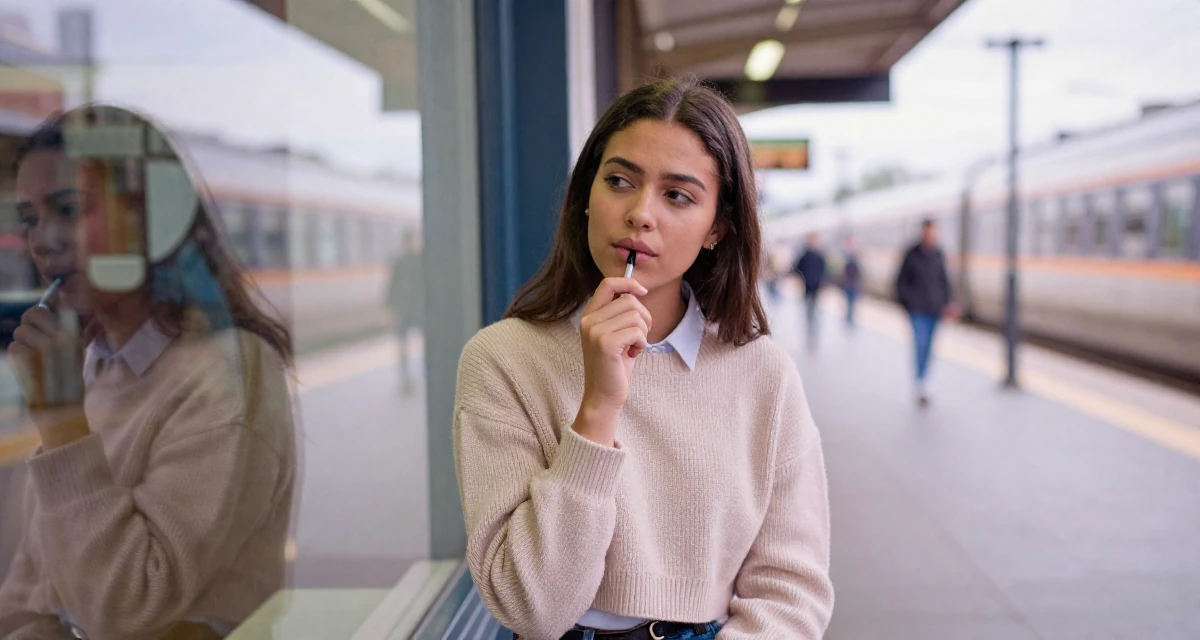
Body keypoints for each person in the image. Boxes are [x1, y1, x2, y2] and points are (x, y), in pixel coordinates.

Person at [453, 77, 833, 640]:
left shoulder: (763, 373)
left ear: (717, 229)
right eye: (619, 181)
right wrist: (599, 408)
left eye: (677, 195)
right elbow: (532, 609)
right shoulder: (503, 360)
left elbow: (792, 591)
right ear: (586, 196)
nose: (639, 214)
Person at [0, 106, 296, 639]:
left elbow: (126, 609)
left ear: (149, 218)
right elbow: (32, 587)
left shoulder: (229, 372)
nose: (42, 239)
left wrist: (63, 422)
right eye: (29, 218)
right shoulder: (95, 366)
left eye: (68, 209)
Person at [895, 219, 955, 407]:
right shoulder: (912, 254)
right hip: (918, 310)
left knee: (929, 346)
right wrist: (909, 303)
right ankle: (920, 381)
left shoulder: (938, 253)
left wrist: (949, 303)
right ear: (923, 232)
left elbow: (944, 280)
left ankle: (925, 379)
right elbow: (900, 282)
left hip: (935, 309)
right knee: (920, 344)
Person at [386, 230, 424, 395]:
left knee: (411, 345)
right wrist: (392, 308)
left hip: (414, 309)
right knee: (403, 346)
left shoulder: (411, 260)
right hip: (408, 310)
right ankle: (405, 379)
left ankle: (412, 378)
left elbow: (392, 286)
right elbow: (392, 286)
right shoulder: (407, 261)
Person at [791, 233, 826, 350]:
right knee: (810, 312)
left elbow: (825, 271)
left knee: (813, 312)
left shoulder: (817, 256)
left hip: (815, 289)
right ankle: (811, 334)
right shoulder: (806, 255)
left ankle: (813, 334)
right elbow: (796, 269)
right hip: (808, 288)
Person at [840, 236, 862, 328]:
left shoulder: (853, 258)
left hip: (852, 285)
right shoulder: (846, 257)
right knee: (849, 303)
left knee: (851, 303)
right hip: (848, 285)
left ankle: (849, 319)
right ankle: (849, 319)